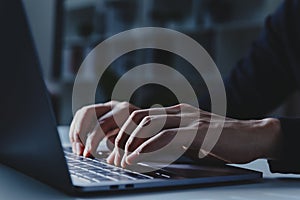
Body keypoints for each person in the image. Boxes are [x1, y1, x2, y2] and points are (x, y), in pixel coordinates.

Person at [69, 0, 300, 174]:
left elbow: (239, 130)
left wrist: (271, 134)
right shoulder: (292, 17)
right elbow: (226, 111)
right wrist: (151, 121)